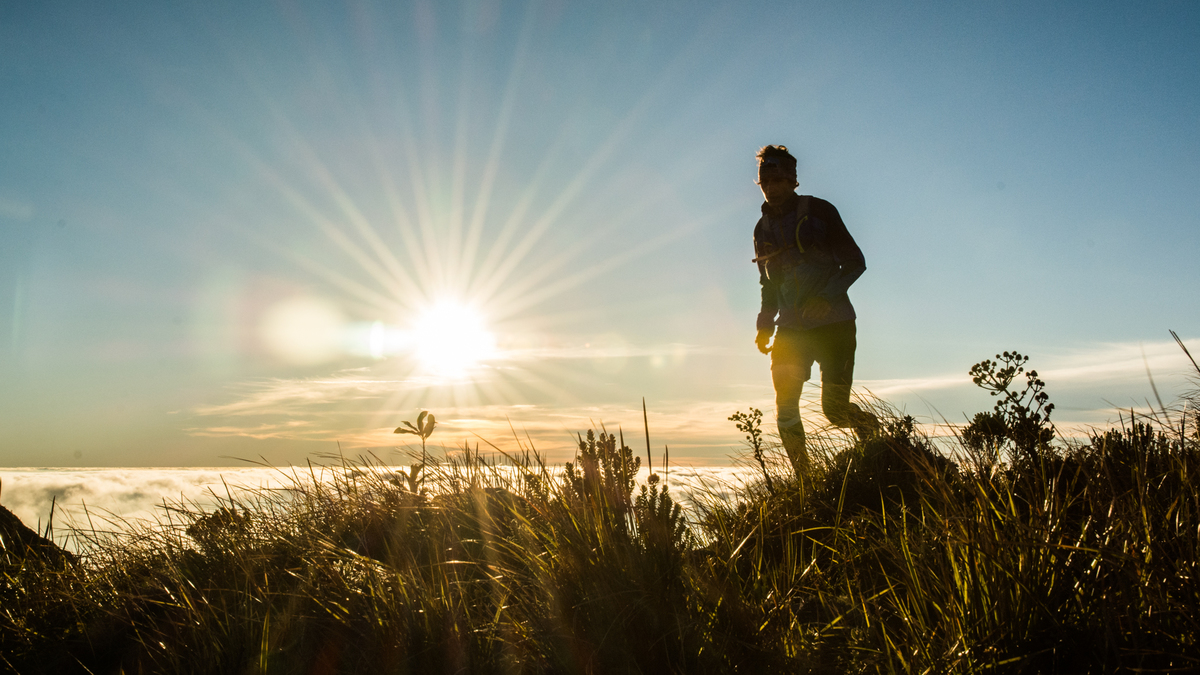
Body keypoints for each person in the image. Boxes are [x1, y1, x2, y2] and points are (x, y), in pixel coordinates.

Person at [751, 144, 878, 477]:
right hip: (790, 330)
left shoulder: (819, 212)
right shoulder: (761, 229)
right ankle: (805, 480)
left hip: (834, 325)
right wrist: (765, 324)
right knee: (785, 407)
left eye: (779, 180)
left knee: (835, 412)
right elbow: (768, 284)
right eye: (766, 181)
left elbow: (855, 262)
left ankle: (875, 437)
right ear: (759, 183)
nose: (772, 187)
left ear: (793, 180)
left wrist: (826, 296)